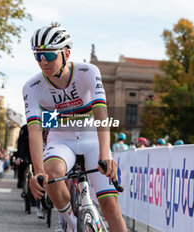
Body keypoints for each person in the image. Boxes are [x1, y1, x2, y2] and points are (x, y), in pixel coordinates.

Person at [23, 23, 127, 232]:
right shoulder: (32, 86)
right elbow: (34, 130)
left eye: (49, 55)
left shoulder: (87, 72)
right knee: (51, 174)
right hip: (61, 140)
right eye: (38, 55)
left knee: (110, 206)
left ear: (66, 53)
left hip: (92, 139)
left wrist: (105, 154)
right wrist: (38, 171)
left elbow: (101, 114)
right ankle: (73, 224)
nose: (43, 61)